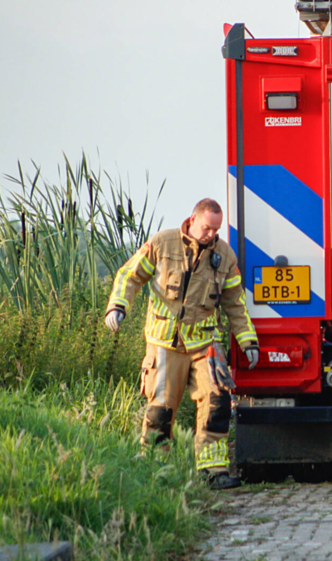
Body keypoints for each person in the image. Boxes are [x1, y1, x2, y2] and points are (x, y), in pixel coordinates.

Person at [104, 198, 259, 490]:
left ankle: (213, 470)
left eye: (216, 229)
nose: (211, 234)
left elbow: (235, 304)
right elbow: (130, 275)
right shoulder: (163, 243)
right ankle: (155, 470)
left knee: (218, 402)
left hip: (206, 343)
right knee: (161, 409)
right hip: (164, 342)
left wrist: (247, 339)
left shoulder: (225, 256)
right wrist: (118, 306)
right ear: (193, 219)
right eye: (207, 228)